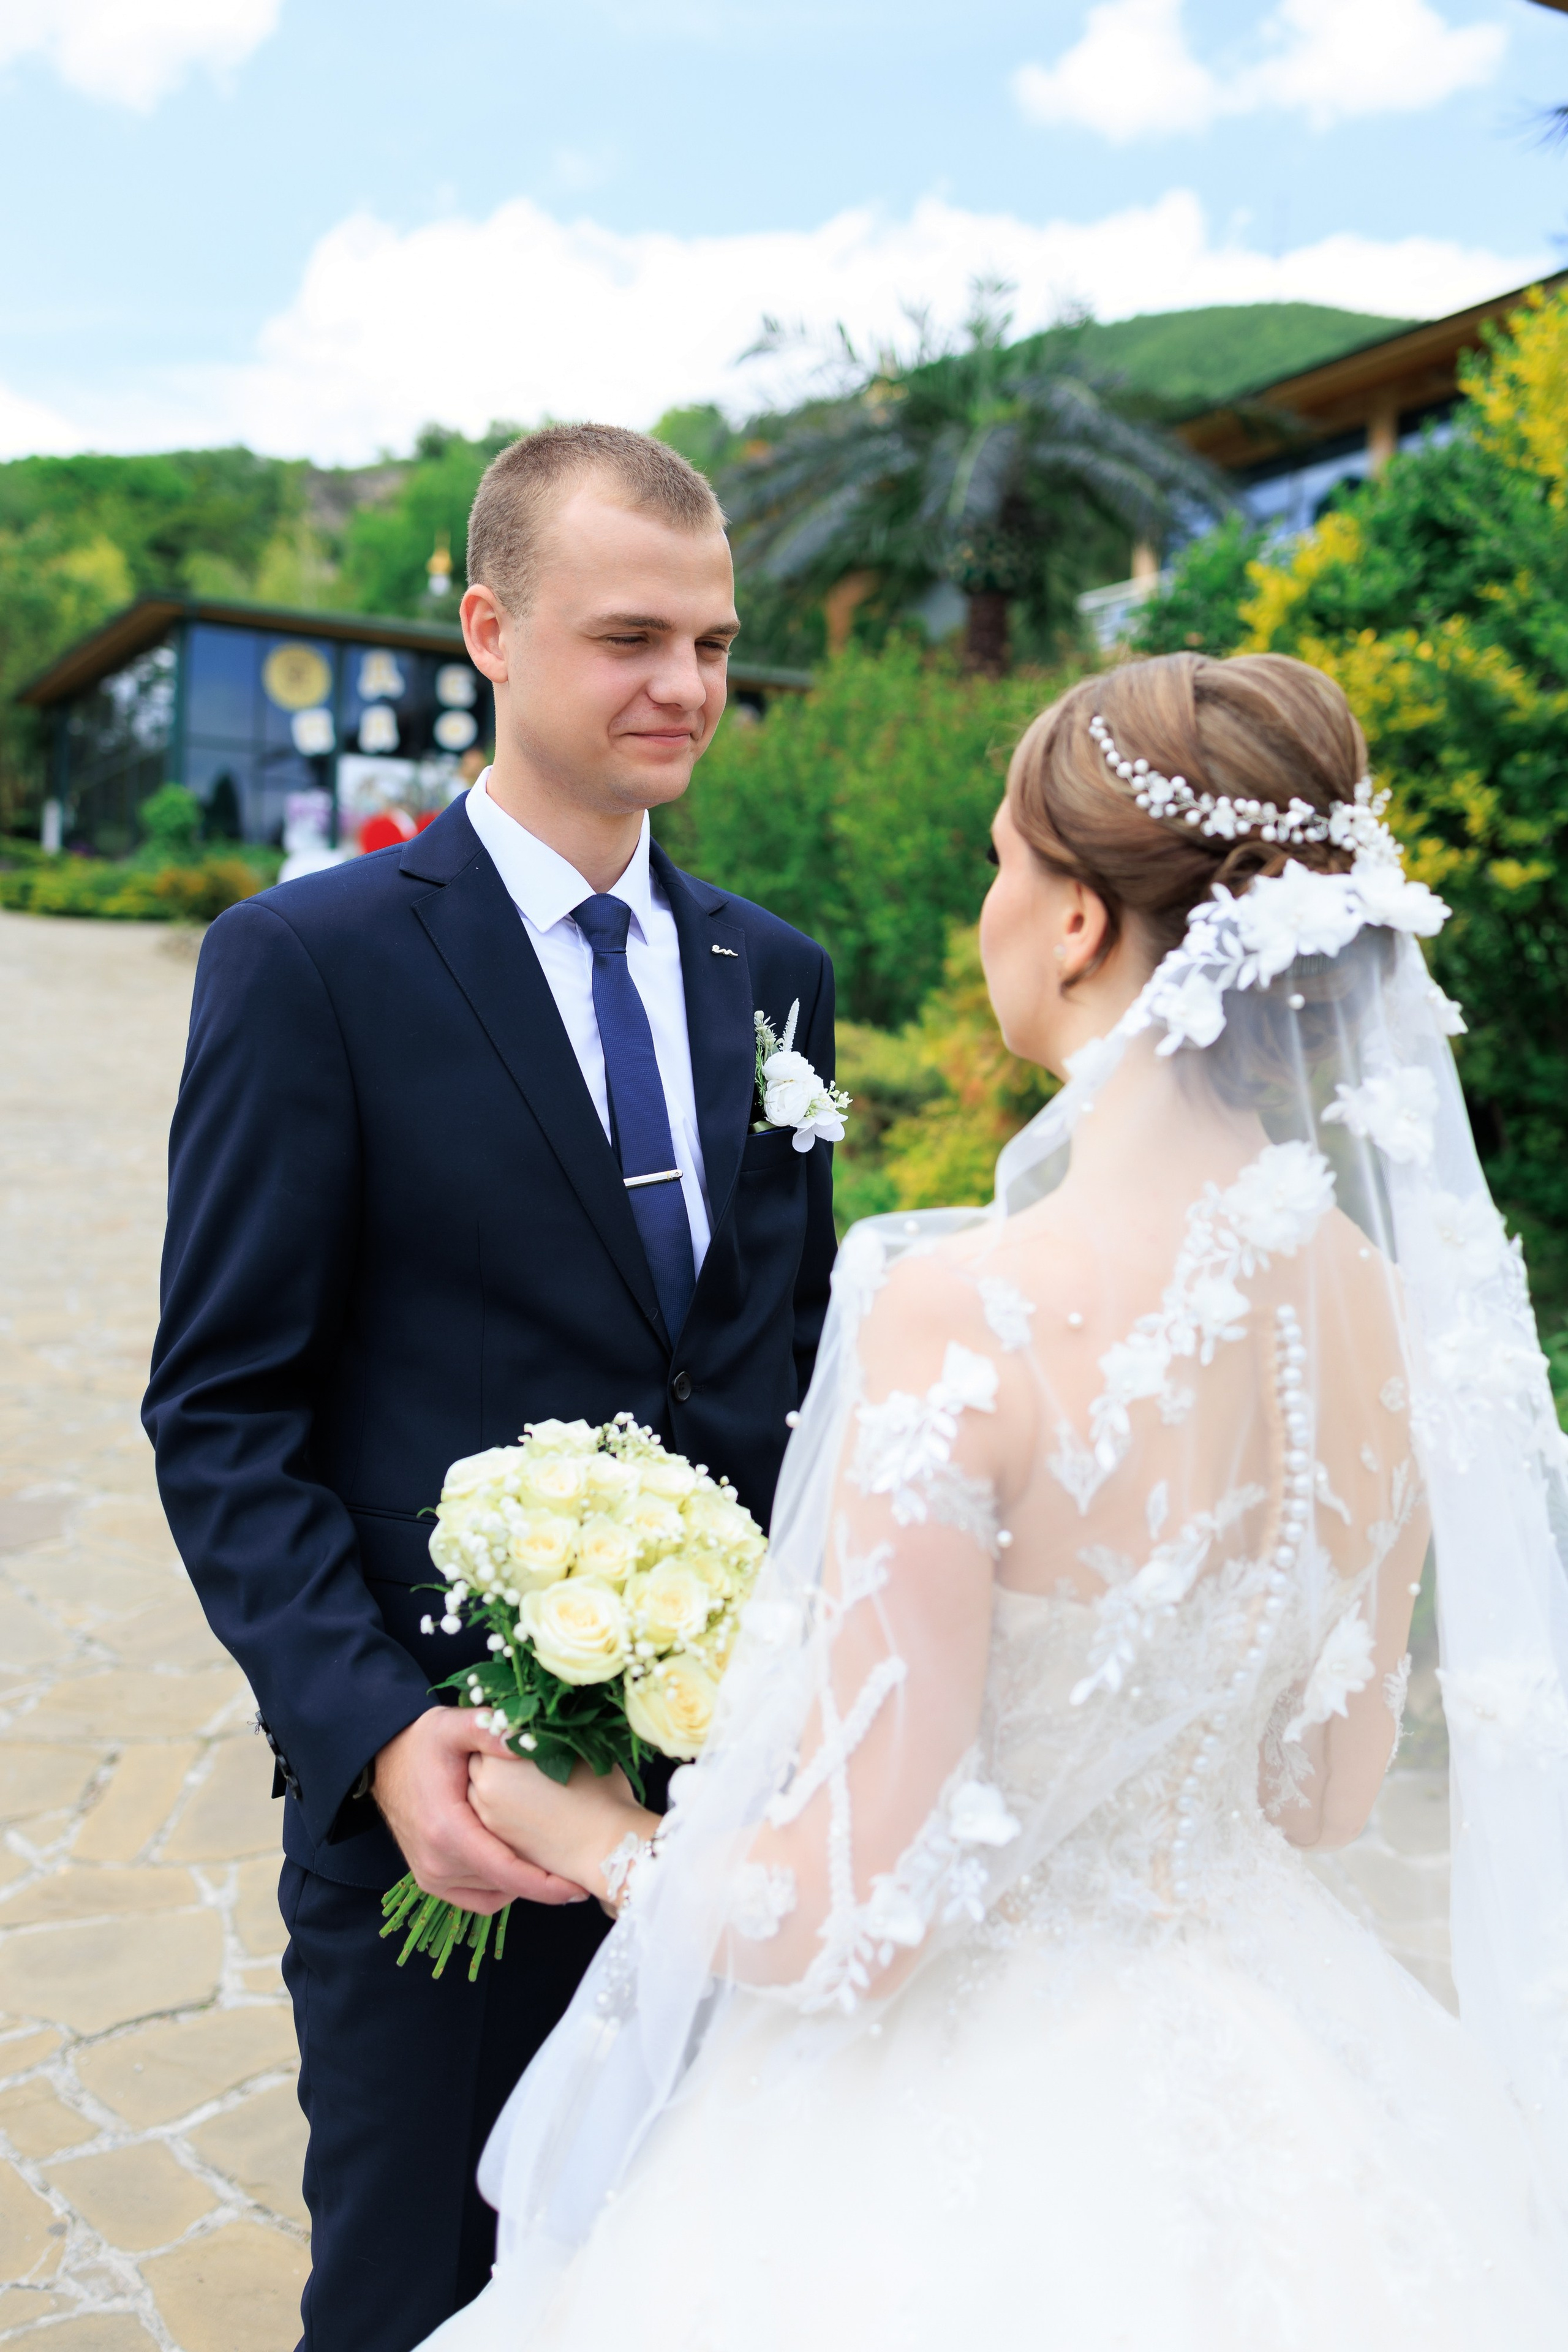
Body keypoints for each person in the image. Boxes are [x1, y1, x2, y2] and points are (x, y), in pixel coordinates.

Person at [418, 651, 1568, 2351]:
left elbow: (854, 1924)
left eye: (998, 858)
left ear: (1083, 922)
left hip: (966, 2144)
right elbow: (1324, 1797)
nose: (992, 904)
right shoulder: (1387, 1321)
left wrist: (589, 1832)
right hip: (1288, 2076)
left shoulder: (968, 1312)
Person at [141, 424, 837, 2352]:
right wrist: (379, 1733)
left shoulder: (776, 975)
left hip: (727, 1831)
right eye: (631, 636)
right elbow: (221, 1406)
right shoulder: (311, 964)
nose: (686, 686)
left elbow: (784, 1369)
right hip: (440, 1823)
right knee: (414, 2306)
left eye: (711, 642)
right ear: (489, 633)